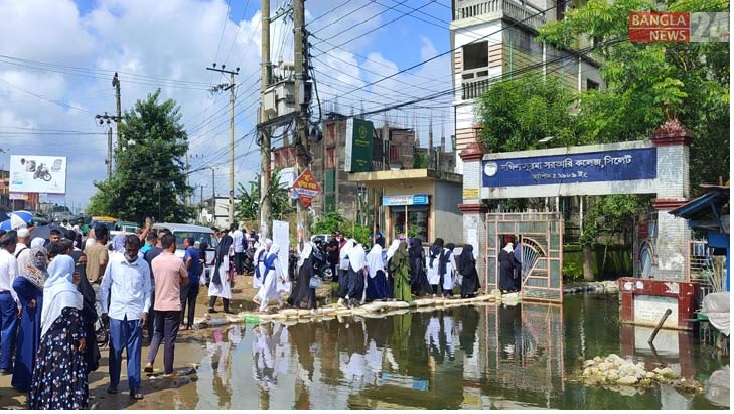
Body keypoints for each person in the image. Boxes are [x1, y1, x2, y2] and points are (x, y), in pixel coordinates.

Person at [28, 254, 88, 410]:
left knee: (50, 373)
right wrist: (80, 338)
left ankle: (47, 404)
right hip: (65, 341)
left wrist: (74, 285)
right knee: (65, 374)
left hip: (49, 339)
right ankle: (66, 404)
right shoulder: (66, 291)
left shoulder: (51, 286)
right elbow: (72, 317)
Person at [99, 234, 151, 400]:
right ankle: (114, 383)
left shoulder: (143, 264)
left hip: (136, 314)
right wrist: (105, 311)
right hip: (116, 314)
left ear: (138, 249)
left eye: (134, 251)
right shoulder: (114, 261)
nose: (131, 253)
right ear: (125, 248)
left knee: (134, 352)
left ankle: (134, 386)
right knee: (116, 350)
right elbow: (104, 287)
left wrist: (145, 311)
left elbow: (147, 290)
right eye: (129, 250)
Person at [144, 233, 188, 376]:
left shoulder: (155, 261)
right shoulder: (177, 261)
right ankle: (168, 370)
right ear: (172, 245)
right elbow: (185, 279)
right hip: (172, 304)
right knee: (170, 339)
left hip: (158, 303)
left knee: (158, 333)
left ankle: (149, 361)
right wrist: (178, 281)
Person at [11, 245, 47, 392]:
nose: (39, 258)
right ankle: (27, 380)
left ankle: (35, 378)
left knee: (36, 344)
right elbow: (17, 284)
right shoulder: (29, 272)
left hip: (39, 313)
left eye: (41, 255)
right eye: (37, 256)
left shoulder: (44, 272)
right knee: (30, 344)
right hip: (32, 314)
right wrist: (28, 299)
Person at [0, 231, 19, 375]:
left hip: (4, 295)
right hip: (7, 296)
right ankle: (5, 363)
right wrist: (19, 303)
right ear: (11, 244)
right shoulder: (10, 259)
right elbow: (14, 283)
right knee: (8, 330)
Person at [208, 229, 234, 314]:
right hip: (223, 269)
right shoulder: (226, 248)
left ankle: (210, 306)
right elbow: (226, 260)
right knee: (225, 288)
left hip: (216, 268)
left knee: (215, 288)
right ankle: (226, 309)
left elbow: (215, 259)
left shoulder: (218, 247)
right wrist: (227, 273)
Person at [287, 242, 316, 310]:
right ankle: (310, 304)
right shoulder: (309, 256)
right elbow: (310, 267)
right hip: (308, 275)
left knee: (301, 288)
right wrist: (312, 275)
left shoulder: (304, 257)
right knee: (309, 289)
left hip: (302, 274)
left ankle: (298, 302)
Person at [256, 244, 284, 313]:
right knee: (268, 290)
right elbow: (277, 267)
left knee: (275, 288)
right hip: (273, 274)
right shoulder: (274, 257)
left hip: (267, 272)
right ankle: (262, 307)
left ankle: (281, 303)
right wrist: (280, 277)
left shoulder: (267, 255)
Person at [179, 237, 200, 330]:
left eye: (184, 243)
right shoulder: (196, 251)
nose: (183, 244)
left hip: (187, 280)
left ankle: (181, 323)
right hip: (195, 280)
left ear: (187, 243)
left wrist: (185, 272)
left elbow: (189, 259)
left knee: (182, 301)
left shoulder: (188, 251)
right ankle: (190, 323)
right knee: (192, 302)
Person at [346, 243, 367, 308]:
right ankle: (353, 301)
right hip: (357, 270)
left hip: (355, 270)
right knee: (357, 285)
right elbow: (364, 261)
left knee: (354, 285)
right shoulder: (360, 252)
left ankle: (352, 301)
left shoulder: (352, 252)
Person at [336, 238, 355, 305]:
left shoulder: (343, 249)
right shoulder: (349, 251)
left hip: (342, 270)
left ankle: (342, 298)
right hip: (346, 270)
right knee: (346, 283)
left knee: (342, 283)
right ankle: (344, 299)